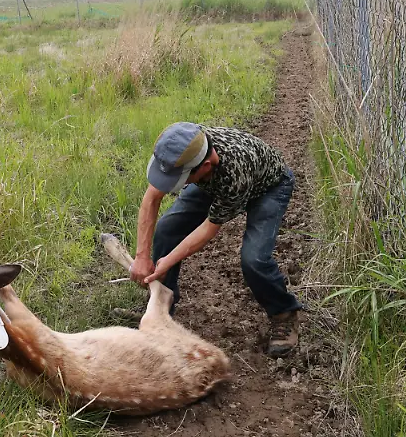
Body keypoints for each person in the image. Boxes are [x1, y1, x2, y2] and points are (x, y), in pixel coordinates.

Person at [128, 122, 302, 357]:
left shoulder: (234, 171)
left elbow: (208, 229)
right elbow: (152, 197)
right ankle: (161, 306)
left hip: (268, 187)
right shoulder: (185, 144)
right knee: (168, 228)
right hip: (215, 181)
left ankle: (284, 312)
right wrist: (141, 256)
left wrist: (165, 262)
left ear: (205, 167)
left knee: (254, 259)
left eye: (182, 179)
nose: (177, 185)